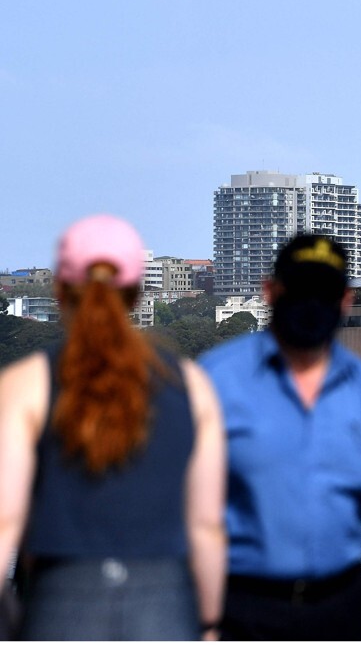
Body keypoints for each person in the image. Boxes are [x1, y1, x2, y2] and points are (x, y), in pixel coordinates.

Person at [198, 234, 361, 641]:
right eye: (300, 289)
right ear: (270, 291)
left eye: (324, 291)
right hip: (242, 606)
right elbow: (180, 508)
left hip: (340, 608)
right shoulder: (216, 381)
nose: (312, 302)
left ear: (345, 299)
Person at [0, 214, 227, 639]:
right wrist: (211, 621)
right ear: (138, 294)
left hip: (59, 601)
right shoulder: (191, 386)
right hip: (166, 604)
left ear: (59, 291)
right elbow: (206, 527)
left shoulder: (24, 385)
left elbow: (4, 521)